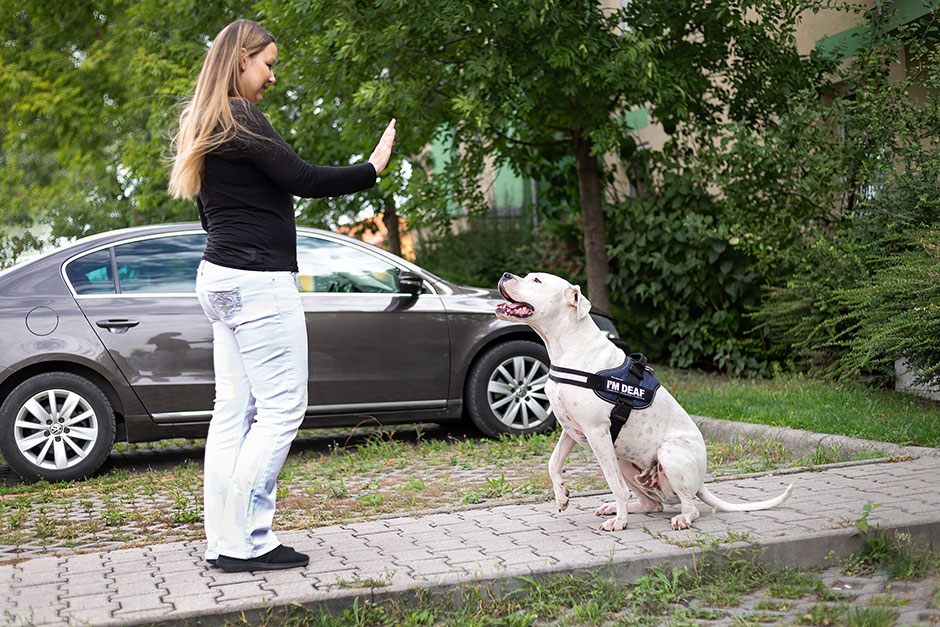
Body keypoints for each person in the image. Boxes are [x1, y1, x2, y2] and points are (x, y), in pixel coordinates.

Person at [168, 19, 395, 572]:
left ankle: (225, 540)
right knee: (280, 409)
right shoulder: (241, 115)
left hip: (220, 278)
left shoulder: (207, 121)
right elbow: (303, 178)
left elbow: (208, 213)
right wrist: (373, 168)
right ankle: (248, 543)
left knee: (232, 414)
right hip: (257, 282)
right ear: (242, 59)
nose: (271, 77)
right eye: (268, 64)